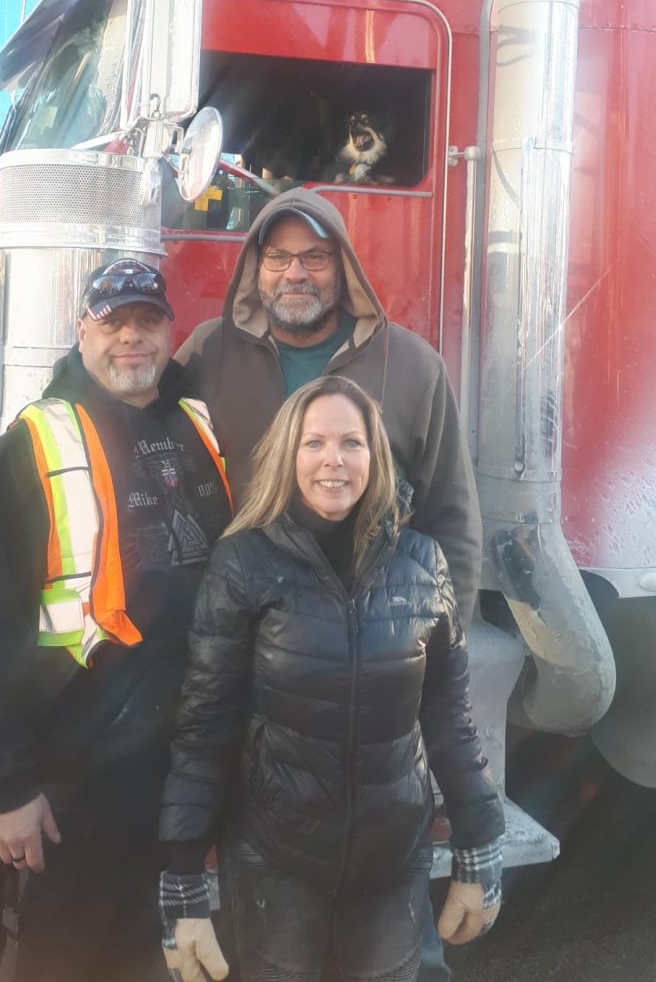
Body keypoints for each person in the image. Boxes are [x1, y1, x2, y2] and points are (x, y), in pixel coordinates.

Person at [175, 187, 484, 979]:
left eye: (315, 256)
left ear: (344, 268)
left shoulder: (411, 367)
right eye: (278, 257)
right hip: (255, 674)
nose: (296, 273)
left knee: (394, 949)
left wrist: (426, 648)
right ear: (255, 268)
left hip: (381, 696)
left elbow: (451, 517)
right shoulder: (209, 352)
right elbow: (133, 414)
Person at [158, 376, 505, 982]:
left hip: (392, 861)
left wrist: (481, 841)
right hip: (275, 859)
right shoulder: (244, 563)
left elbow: (449, 716)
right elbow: (204, 724)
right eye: (314, 443)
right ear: (289, 454)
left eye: (352, 442)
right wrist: (183, 877)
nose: (333, 461)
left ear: (376, 457)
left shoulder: (424, 564)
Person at [0, 258, 233, 982]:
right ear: (83, 332)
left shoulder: (198, 425)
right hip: (77, 779)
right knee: (63, 959)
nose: (131, 339)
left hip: (183, 770)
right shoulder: (33, 444)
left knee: (157, 956)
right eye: (113, 323)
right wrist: (3, 787)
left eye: (147, 321)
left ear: (169, 332)